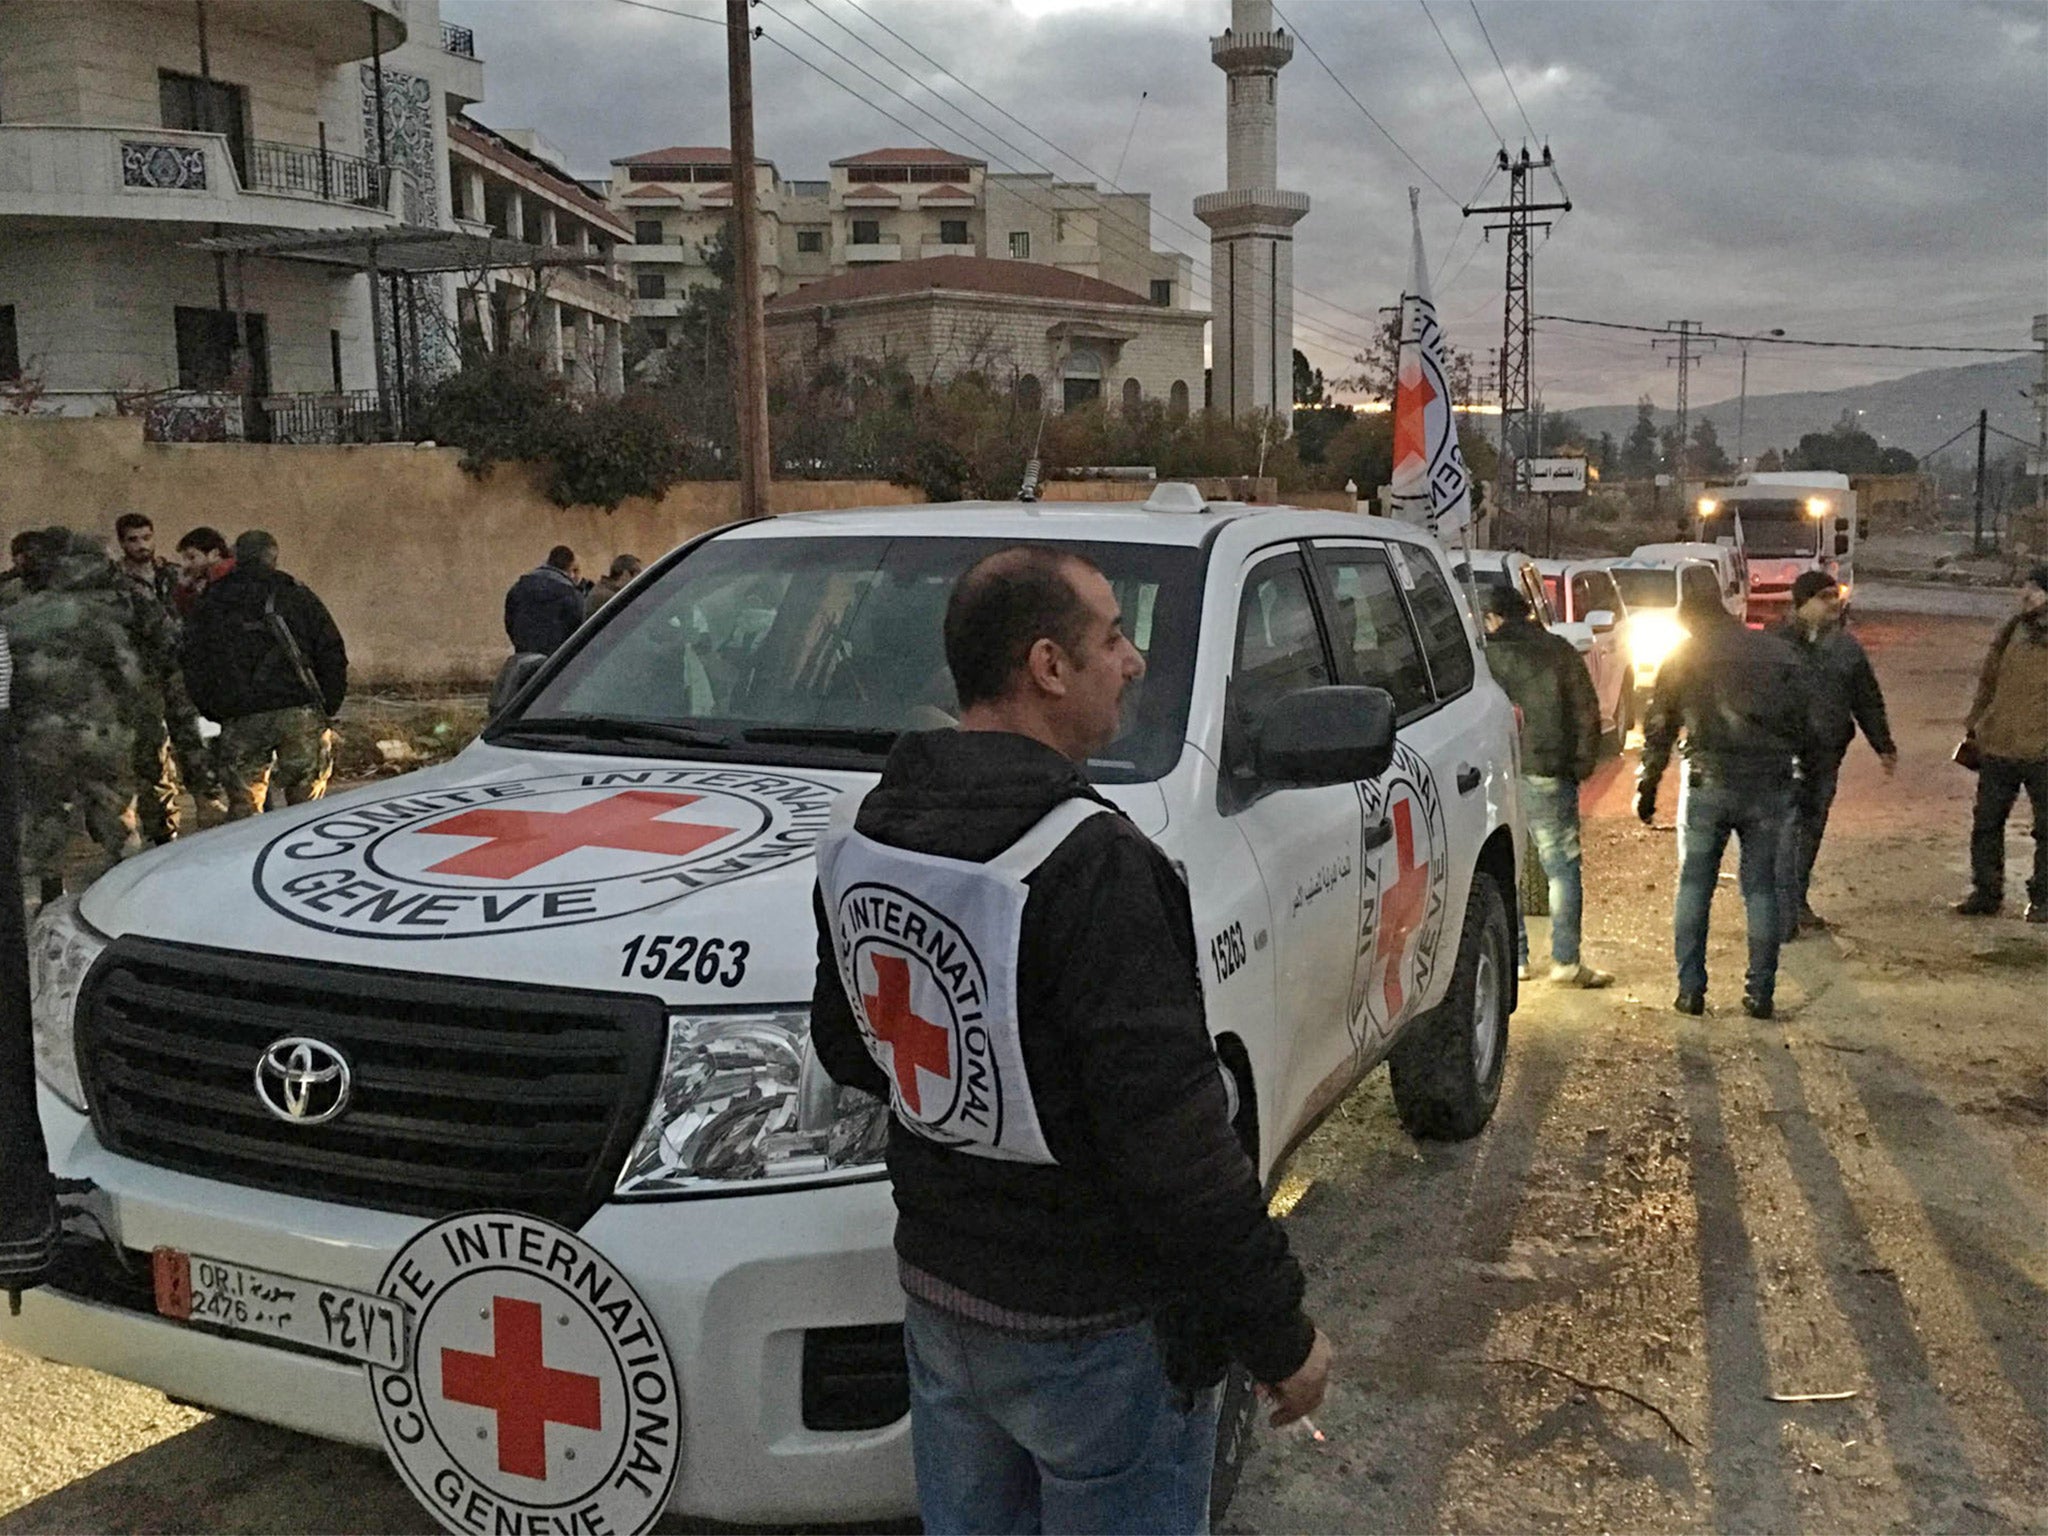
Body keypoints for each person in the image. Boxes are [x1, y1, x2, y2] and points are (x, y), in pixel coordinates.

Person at [810, 546, 1329, 1535]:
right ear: (1047, 667)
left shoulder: (870, 832)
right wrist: (1279, 1335)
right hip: (1094, 1338)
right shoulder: (1094, 865)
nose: (1132, 662)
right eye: (1113, 638)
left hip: (940, 1301)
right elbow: (1175, 1148)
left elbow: (847, 1047)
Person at [1638, 584, 1815, 1019]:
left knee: (1695, 884)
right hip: (1768, 785)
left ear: (1689, 620)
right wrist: (1803, 780)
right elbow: (1808, 724)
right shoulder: (1775, 653)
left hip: (1708, 782)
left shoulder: (1684, 657)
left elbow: (1660, 725)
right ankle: (1760, 993)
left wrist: (1648, 784)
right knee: (1760, 888)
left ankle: (1691, 990)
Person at [0, 529, 180, 900]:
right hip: (105, 732)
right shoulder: (113, 610)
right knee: (116, 814)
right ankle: (127, 894)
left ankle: (49, 896)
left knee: (45, 816)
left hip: (40, 737)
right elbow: (137, 675)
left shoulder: (17, 614)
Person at [1479, 584, 1615, 989]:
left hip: (1499, 773)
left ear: (1494, 618)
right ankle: (1565, 961)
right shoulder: (1559, 651)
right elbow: (1587, 712)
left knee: (1510, 868)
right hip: (1549, 771)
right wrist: (1580, 765)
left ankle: (1517, 959)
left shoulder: (1486, 657)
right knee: (1561, 867)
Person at [181, 530, 347, 819]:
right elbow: (331, 650)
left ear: (236, 556)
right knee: (308, 810)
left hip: (241, 716)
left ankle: (250, 861)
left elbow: (195, 660)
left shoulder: (214, 598)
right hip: (299, 712)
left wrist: (212, 710)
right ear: (274, 557)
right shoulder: (295, 592)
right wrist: (327, 705)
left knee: (245, 811)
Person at [1775, 571, 1896, 938]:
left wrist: (1883, 745)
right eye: (1824, 597)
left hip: (1825, 755)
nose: (1834, 603)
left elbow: (1866, 698)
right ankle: (1780, 909)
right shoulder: (1774, 643)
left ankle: (1797, 900)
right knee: (1783, 831)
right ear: (1802, 602)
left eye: (1835, 595)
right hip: (1780, 755)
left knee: (1811, 828)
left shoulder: (1846, 649)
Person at [1954, 564, 2048, 922]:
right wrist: (1976, 724)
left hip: (2043, 753)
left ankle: (2043, 900)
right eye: (2025, 588)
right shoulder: (2012, 630)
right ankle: (1986, 892)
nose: (2025, 595)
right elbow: (1988, 683)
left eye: (2035, 590)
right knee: (1987, 824)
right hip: (2000, 749)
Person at [504, 545, 585, 655]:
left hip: (524, 656)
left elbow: (509, 621)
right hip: (557, 661)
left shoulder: (518, 588)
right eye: (575, 570)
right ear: (570, 569)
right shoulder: (571, 595)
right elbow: (577, 631)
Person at [113, 512, 180, 612]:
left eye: (146, 538)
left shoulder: (173, 572)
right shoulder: (115, 577)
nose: (142, 545)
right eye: (133, 540)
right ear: (121, 543)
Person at [172, 526, 234, 620]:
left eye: (192, 557)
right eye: (184, 559)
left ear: (214, 554)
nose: (186, 565)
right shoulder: (210, 580)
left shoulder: (227, 581)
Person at [584, 553, 643, 619]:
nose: (638, 579)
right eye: (637, 574)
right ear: (626, 574)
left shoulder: (606, 590)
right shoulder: (607, 597)